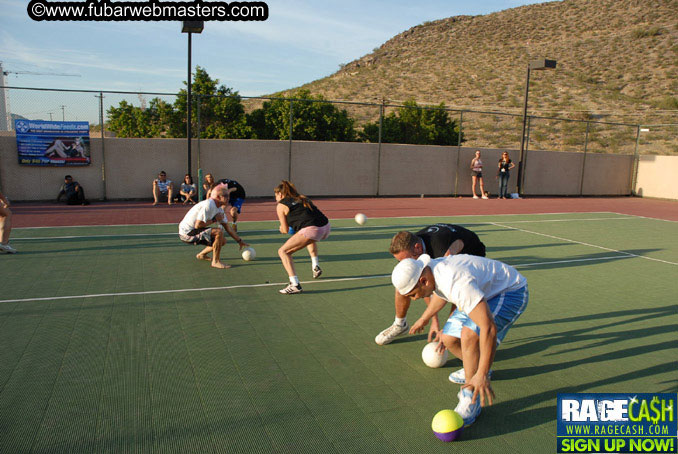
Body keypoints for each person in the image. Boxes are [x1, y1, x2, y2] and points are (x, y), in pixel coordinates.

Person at [392, 254, 528, 426]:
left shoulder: (455, 281)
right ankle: (473, 369)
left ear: (423, 281)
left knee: (468, 335)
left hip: (509, 292)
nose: (415, 299)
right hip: (482, 292)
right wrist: (424, 318)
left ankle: (471, 397)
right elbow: (441, 294)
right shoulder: (434, 273)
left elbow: (488, 328)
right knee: (448, 339)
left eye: (413, 294)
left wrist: (482, 374)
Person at [375, 224, 486, 345]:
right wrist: (434, 320)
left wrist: (448, 328)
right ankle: (400, 324)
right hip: (444, 246)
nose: (404, 263)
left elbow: (456, 288)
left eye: (406, 259)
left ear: (417, 248)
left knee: (456, 289)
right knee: (404, 283)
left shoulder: (442, 251)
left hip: (471, 252)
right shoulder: (412, 246)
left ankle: (454, 327)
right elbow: (423, 288)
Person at [274, 180, 331, 294]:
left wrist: (281, 228)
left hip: (312, 230)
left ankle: (295, 284)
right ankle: (315, 265)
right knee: (308, 239)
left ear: (280, 194)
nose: (275, 198)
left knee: (283, 252)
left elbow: (285, 230)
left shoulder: (281, 205)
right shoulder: (302, 197)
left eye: (275, 196)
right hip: (326, 227)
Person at [178, 185, 248, 269]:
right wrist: (214, 219)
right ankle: (215, 261)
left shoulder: (219, 209)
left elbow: (227, 227)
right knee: (218, 232)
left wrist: (239, 241)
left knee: (222, 241)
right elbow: (198, 225)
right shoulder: (209, 205)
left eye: (229, 195)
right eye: (226, 196)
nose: (228, 198)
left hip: (193, 231)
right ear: (218, 197)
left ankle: (201, 255)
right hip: (186, 233)